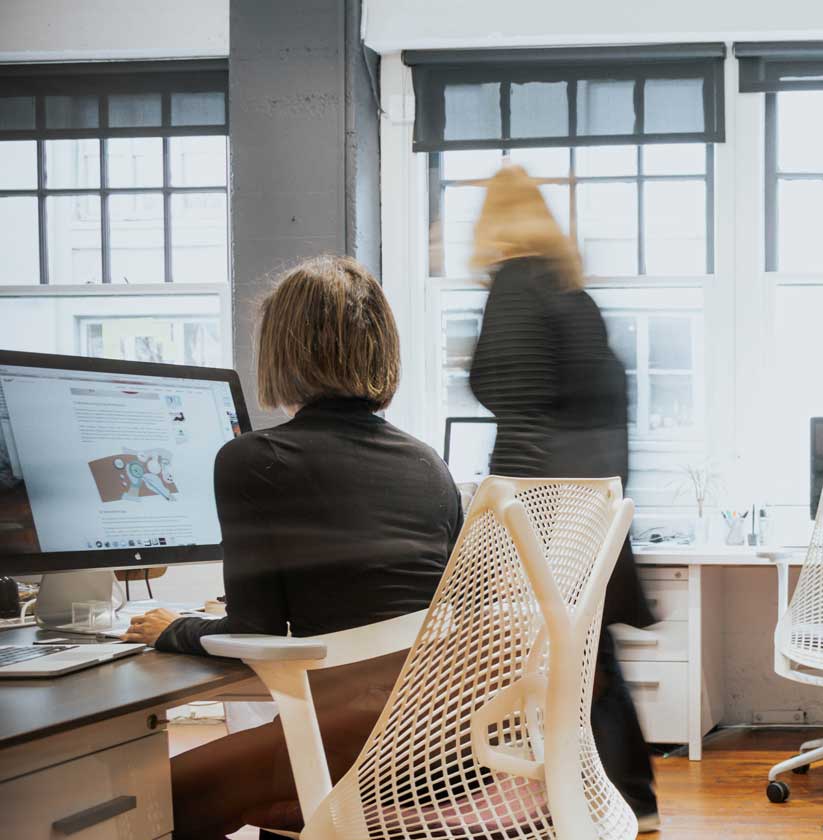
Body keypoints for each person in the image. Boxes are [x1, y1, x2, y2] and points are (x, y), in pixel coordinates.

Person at [121, 256, 464, 839]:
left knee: (138, 800)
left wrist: (170, 627)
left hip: (354, 753)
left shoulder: (254, 460)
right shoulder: (428, 463)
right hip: (445, 742)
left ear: (280, 351)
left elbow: (252, 630)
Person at [465, 164, 660, 831]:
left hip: (544, 514)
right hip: (589, 509)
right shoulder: (574, 297)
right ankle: (628, 797)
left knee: (541, 662)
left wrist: (505, 528)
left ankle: (580, 801)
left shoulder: (515, 287)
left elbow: (518, 409)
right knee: (590, 658)